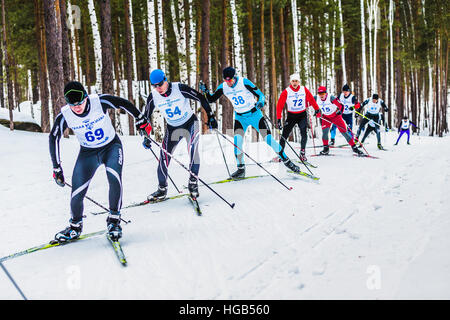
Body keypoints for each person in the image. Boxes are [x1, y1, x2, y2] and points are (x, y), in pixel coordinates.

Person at [49, 81, 150, 242]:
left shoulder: (99, 102)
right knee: (76, 192)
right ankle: (75, 227)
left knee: (114, 178)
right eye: (72, 104)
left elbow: (122, 103)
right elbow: (53, 137)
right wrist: (56, 167)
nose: (77, 107)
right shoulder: (65, 115)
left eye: (80, 102)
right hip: (88, 153)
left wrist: (139, 118)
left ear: (86, 97)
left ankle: (114, 221)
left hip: (111, 147)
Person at [199, 66, 301, 178]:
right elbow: (211, 99)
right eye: (226, 80)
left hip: (255, 115)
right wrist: (206, 91)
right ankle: (241, 169)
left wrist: (261, 102)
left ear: (234, 77)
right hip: (240, 118)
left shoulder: (244, 82)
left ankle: (287, 161)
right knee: (237, 143)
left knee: (268, 140)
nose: (228, 83)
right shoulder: (223, 87)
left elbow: (260, 95)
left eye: (230, 80)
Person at [143, 69, 217, 200]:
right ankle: (162, 189)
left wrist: (211, 116)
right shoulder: (153, 96)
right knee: (163, 157)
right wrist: (146, 136)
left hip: (190, 124)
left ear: (165, 80)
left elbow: (200, 97)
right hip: (172, 128)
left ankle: (193, 184)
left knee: (193, 151)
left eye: (160, 84)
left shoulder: (179, 88)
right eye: (154, 86)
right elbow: (146, 117)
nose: (158, 88)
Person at [275, 73, 320, 161]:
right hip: (291, 116)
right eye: (293, 81)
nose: (294, 83)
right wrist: (279, 118)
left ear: (298, 82)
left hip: (302, 115)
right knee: (284, 135)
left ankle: (302, 153)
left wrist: (317, 109)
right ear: (290, 82)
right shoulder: (286, 91)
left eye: (296, 81)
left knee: (304, 134)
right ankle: (280, 154)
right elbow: (280, 105)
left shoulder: (303, 89)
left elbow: (311, 99)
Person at [314, 86, 364, 156]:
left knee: (344, 132)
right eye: (319, 93)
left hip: (335, 116)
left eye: (323, 93)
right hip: (326, 117)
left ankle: (354, 147)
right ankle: (326, 149)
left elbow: (341, 106)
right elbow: (311, 103)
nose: (321, 95)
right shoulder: (316, 98)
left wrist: (340, 111)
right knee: (325, 132)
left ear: (326, 93)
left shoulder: (331, 98)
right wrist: (317, 112)